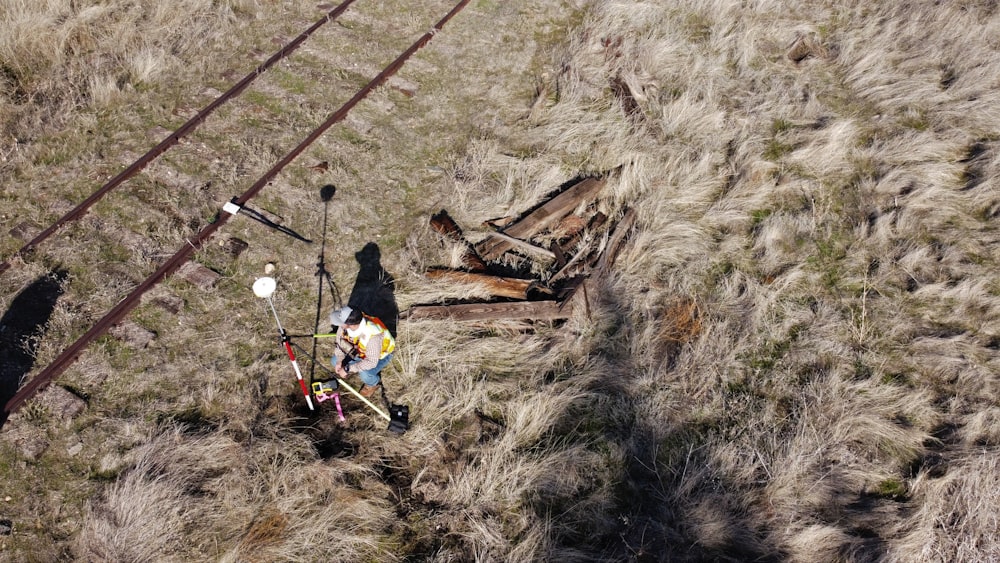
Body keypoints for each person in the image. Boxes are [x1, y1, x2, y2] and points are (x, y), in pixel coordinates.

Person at [329, 306, 395, 398]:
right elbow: (339, 343)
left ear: (350, 325)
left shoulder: (373, 335)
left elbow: (371, 362)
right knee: (334, 360)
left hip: (381, 355)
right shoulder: (346, 325)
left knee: (365, 374)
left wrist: (348, 368)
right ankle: (353, 368)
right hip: (359, 351)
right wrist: (340, 360)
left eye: (340, 323)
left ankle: (372, 384)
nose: (338, 325)